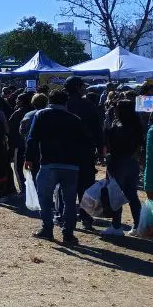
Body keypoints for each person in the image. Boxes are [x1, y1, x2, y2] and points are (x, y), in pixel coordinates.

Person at [25, 89, 89, 245]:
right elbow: (85, 142)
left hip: (48, 163)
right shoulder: (75, 119)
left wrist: (28, 158)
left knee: (45, 198)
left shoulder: (41, 115)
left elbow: (32, 138)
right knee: (69, 201)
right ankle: (68, 234)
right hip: (71, 165)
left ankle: (47, 229)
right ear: (65, 102)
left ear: (49, 101)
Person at [64, 76, 102, 231]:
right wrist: (100, 149)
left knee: (65, 186)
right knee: (86, 186)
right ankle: (86, 218)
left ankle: (65, 216)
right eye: (83, 86)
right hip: (85, 152)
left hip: (64, 152)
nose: (85, 89)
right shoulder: (88, 105)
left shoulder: (62, 104)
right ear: (78, 87)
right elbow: (97, 129)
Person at [101, 99, 143, 235]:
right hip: (132, 162)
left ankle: (116, 226)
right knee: (132, 195)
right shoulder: (137, 124)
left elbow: (109, 144)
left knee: (115, 194)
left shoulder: (116, 126)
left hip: (118, 163)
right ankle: (138, 225)